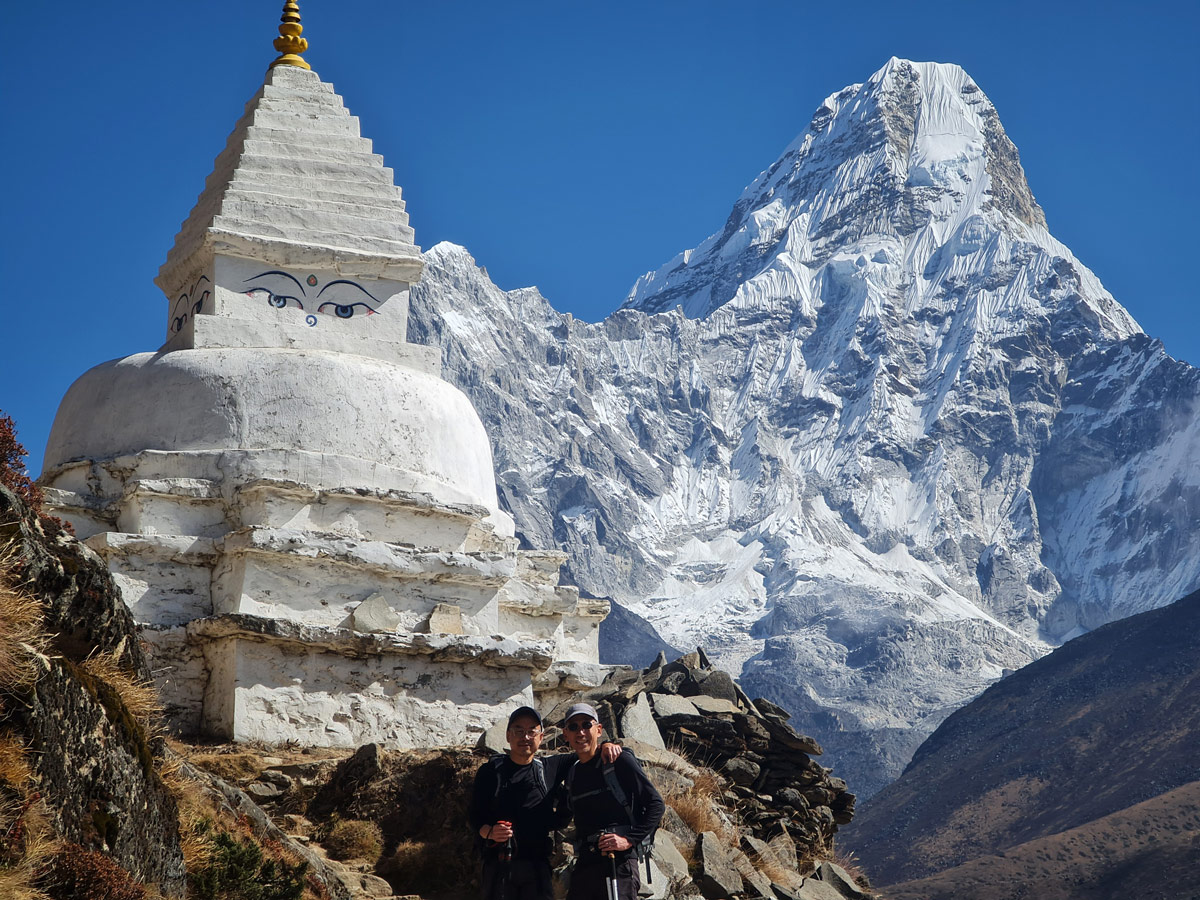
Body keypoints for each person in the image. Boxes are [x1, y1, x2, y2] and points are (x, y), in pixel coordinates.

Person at [470, 705, 622, 900]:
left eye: (531, 731)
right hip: (498, 865)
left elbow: (587, 751)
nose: (525, 737)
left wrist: (607, 745)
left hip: (538, 866)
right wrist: (490, 832)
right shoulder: (491, 771)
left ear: (541, 737)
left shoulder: (550, 767)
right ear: (508, 736)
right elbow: (475, 814)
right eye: (518, 731)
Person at [561, 703, 664, 900]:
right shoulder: (572, 771)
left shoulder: (618, 761)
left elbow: (656, 804)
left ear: (598, 730)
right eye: (573, 727)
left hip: (618, 863)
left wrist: (629, 840)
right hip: (586, 863)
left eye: (586, 725)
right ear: (566, 734)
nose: (580, 732)